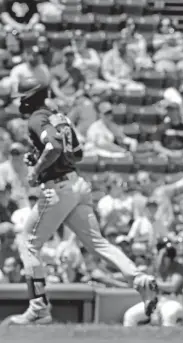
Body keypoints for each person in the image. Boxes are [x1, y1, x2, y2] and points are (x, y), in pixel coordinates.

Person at [1, 82, 158, 325]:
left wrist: (36, 170)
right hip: (76, 185)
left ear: (29, 99)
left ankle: (38, 307)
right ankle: (139, 279)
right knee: (98, 243)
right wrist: (38, 155)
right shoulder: (59, 117)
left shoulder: (36, 118)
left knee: (27, 244)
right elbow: (77, 153)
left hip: (58, 188)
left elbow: (53, 147)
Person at [123, 237, 183, 327]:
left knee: (169, 314)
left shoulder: (178, 266)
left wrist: (154, 282)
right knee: (130, 315)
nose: (165, 256)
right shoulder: (153, 268)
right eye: (162, 253)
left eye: (167, 254)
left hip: (173, 300)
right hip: (155, 301)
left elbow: (173, 286)